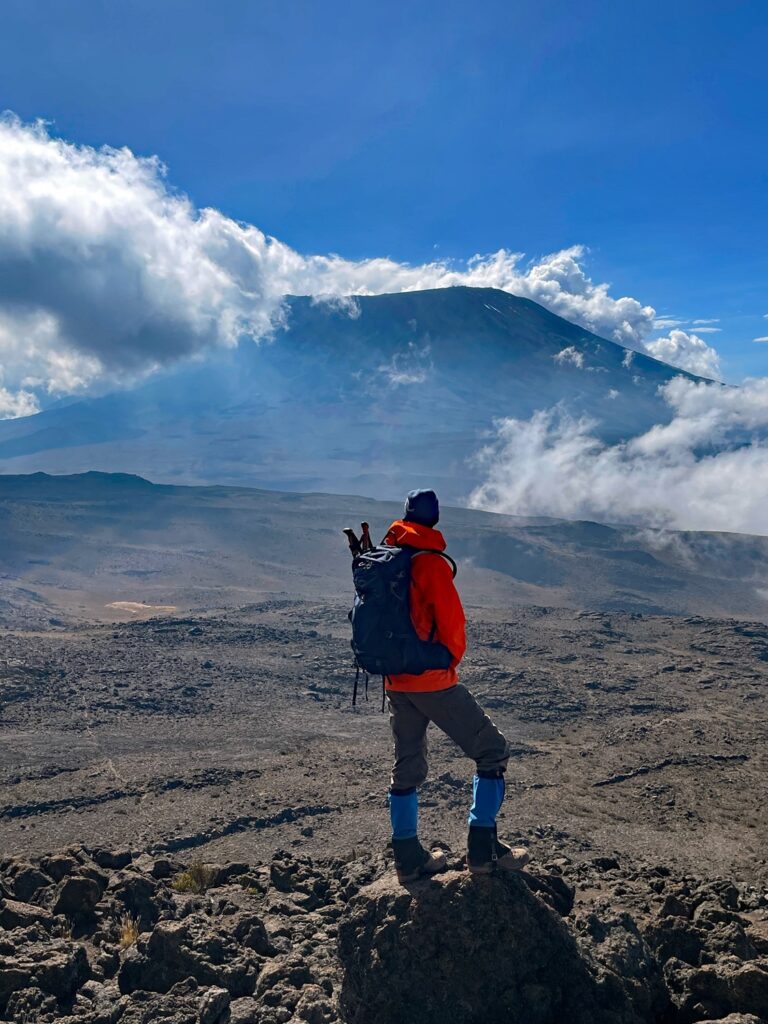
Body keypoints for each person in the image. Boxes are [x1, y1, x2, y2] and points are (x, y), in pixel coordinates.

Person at [384, 488, 530, 883]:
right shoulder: (430, 563)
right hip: (432, 681)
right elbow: (452, 627)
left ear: (406, 516)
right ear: (435, 519)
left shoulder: (386, 558)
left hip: (395, 680)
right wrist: (445, 662)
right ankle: (483, 849)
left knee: (407, 765)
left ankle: (408, 856)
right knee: (492, 750)